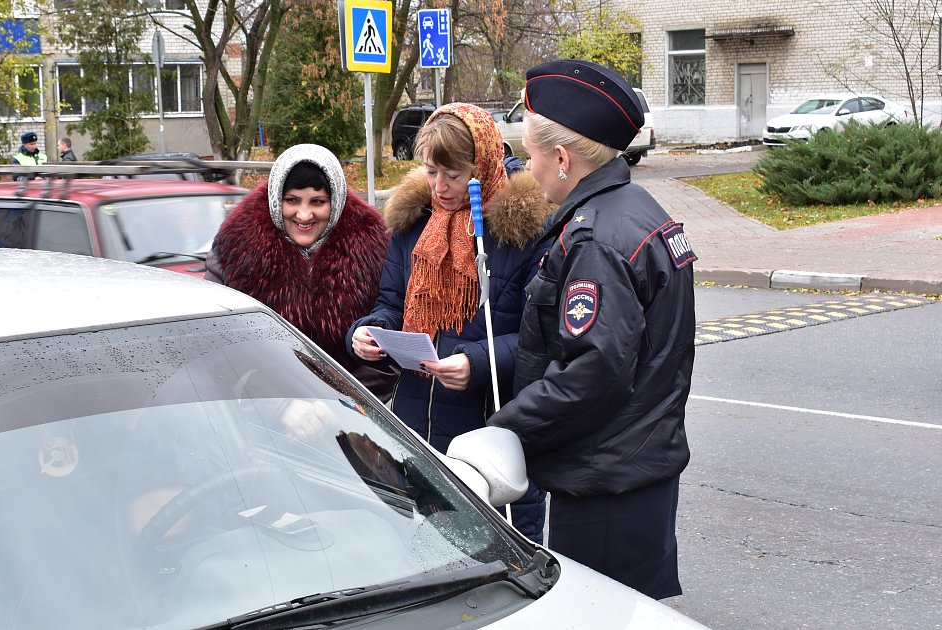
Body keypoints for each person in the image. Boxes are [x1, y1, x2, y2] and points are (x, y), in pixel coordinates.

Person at [487, 59, 697, 600]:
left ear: (561, 158)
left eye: (531, 156)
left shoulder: (595, 239)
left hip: (606, 479)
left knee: (600, 610)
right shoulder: (635, 210)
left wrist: (503, 428)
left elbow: (594, 371)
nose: (526, 169)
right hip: (635, 469)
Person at [347, 102, 555, 542]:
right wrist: (366, 333)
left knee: (492, 556)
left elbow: (543, 340)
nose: (439, 187)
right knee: (419, 549)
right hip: (412, 426)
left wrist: (476, 362)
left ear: (480, 166)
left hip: (485, 432)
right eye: (430, 172)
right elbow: (390, 304)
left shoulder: (520, 233)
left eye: (454, 175)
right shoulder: (413, 225)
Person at [204, 143, 396, 401]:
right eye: (292, 200)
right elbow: (216, 348)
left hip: (356, 419)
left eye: (318, 202)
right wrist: (281, 405)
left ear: (336, 201)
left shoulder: (374, 247)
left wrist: (339, 405)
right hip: (263, 414)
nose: (304, 215)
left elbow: (389, 348)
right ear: (275, 199)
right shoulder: (236, 246)